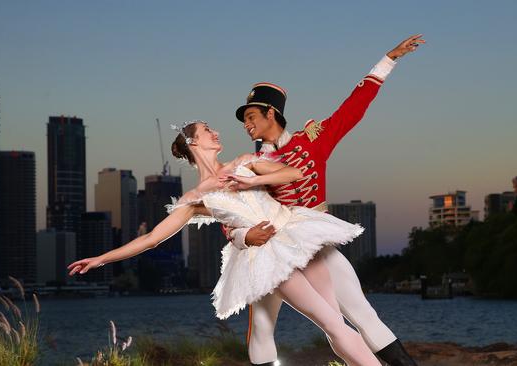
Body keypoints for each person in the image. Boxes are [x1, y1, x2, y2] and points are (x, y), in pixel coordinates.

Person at [68, 120, 383, 365]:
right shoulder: (195, 198)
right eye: (207, 130)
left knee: (336, 323)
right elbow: (151, 239)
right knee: (332, 323)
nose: (216, 132)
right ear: (193, 142)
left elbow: (294, 173)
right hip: (267, 255)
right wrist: (100, 259)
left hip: (297, 235)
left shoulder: (245, 162)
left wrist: (253, 179)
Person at [225, 34, 425, 366]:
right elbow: (230, 215)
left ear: (271, 113)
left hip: (317, 249)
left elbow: (353, 108)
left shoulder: (312, 141)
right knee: (262, 327)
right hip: (272, 252)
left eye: (251, 117)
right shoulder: (245, 166)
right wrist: (245, 237)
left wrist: (388, 59)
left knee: (360, 316)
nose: (246, 125)